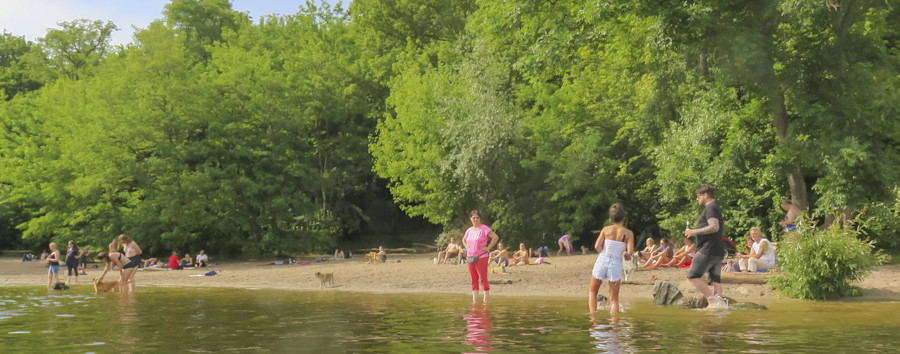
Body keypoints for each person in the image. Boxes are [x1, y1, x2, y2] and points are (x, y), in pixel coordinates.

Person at [684, 184, 728, 309]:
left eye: (698, 196)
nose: (697, 199)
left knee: (692, 276)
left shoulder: (710, 208)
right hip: (716, 250)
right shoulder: (715, 208)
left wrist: (694, 232)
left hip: (707, 250)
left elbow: (714, 227)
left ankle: (712, 301)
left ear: (705, 195)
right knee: (715, 280)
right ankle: (720, 306)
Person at [589, 203, 634, 316]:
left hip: (602, 260)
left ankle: (593, 320)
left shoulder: (605, 229)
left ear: (611, 218)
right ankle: (614, 327)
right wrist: (627, 255)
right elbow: (630, 252)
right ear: (624, 218)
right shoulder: (628, 233)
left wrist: (604, 254)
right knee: (614, 299)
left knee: (593, 292)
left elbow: (597, 246)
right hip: (615, 263)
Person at [463, 210, 499, 304]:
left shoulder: (484, 228)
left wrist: (488, 248)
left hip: (481, 257)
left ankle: (485, 301)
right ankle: (474, 301)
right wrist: (467, 248)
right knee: (473, 279)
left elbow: (495, 237)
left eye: (477, 217)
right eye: (473, 218)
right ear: (471, 219)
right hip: (470, 257)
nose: (475, 219)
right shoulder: (469, 230)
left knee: (483, 278)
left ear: (480, 218)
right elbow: (464, 240)